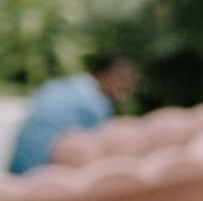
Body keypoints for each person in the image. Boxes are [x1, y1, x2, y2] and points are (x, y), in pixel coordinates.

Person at [8, 51, 138, 174]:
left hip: (17, 169)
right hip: (45, 173)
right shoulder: (95, 106)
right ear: (103, 74)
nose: (126, 86)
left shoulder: (58, 86)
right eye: (122, 78)